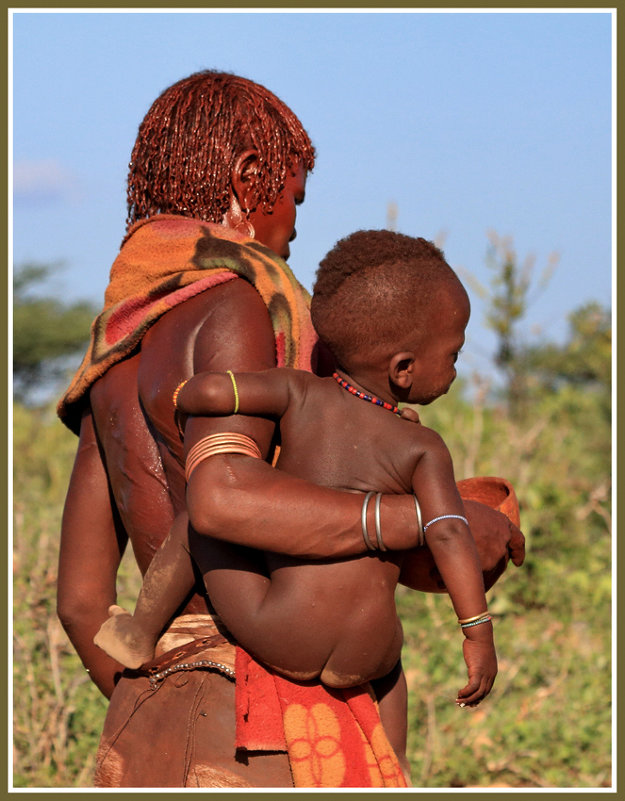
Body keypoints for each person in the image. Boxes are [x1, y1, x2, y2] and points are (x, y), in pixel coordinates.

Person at [57, 70, 525, 789]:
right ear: (249, 182)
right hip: (266, 713)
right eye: (292, 198)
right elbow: (224, 496)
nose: (296, 226)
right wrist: (432, 517)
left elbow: (82, 600)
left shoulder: (116, 348)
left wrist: (152, 699)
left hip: (143, 716)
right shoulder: (238, 306)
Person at [93, 230, 510, 782]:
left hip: (278, 627)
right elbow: (450, 533)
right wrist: (476, 631)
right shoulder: (424, 446)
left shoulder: (297, 393)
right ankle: (394, 767)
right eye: (453, 354)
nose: (457, 368)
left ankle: (140, 629)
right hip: (371, 651)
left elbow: (215, 391)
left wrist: (186, 398)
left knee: (201, 518)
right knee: (390, 675)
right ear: (403, 369)